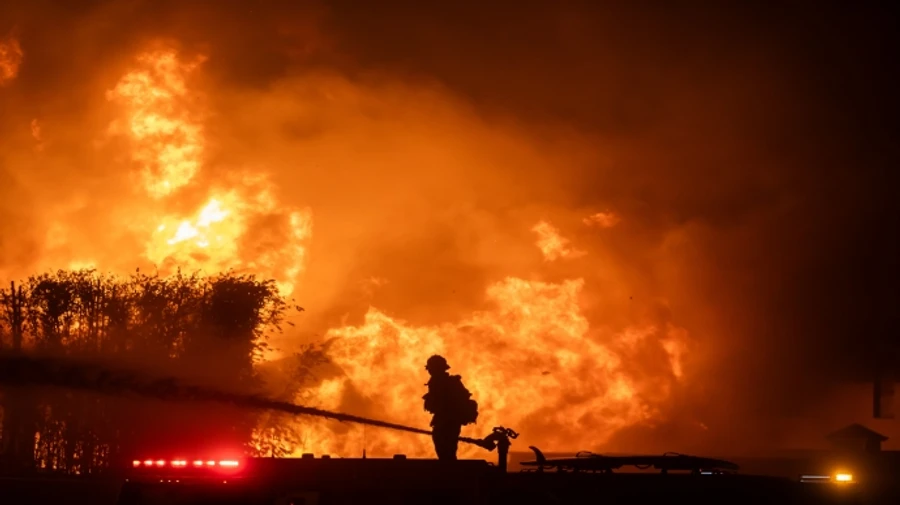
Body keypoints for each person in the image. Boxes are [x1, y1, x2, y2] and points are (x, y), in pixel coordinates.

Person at [422, 354, 478, 460]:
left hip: (448, 422)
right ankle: (448, 468)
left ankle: (449, 471)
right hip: (444, 421)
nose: (429, 372)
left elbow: (450, 404)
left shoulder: (447, 383)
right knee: (444, 450)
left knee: (447, 451)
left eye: (432, 369)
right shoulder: (437, 382)